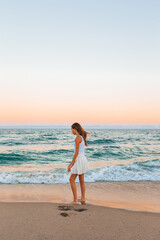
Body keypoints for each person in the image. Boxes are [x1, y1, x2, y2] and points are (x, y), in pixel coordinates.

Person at [67, 122, 90, 205]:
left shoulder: (77, 138)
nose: (71, 131)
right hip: (82, 158)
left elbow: (76, 153)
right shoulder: (81, 137)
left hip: (79, 159)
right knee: (81, 180)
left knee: (71, 179)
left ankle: (75, 200)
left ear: (75, 129)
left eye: (71, 129)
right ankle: (83, 199)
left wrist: (71, 164)